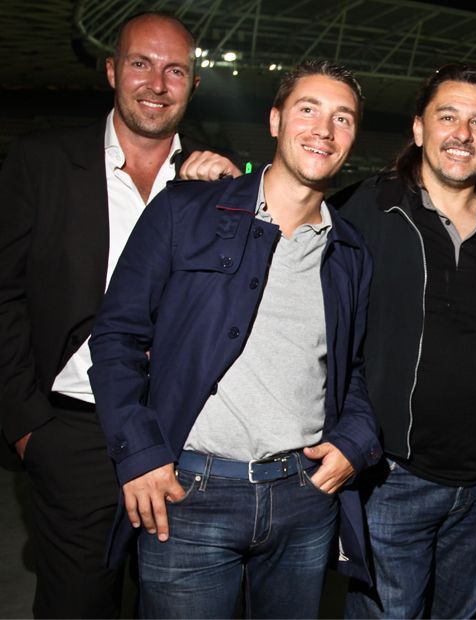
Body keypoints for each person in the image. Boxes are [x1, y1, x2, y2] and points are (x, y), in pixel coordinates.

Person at [87, 59, 380, 618]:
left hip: (304, 499)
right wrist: (140, 454)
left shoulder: (350, 251)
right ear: (275, 120)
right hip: (188, 496)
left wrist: (356, 439)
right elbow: (117, 337)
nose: (324, 129)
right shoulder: (185, 210)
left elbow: (355, 368)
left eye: (342, 118)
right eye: (308, 110)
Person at [0, 11, 239, 618]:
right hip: (74, 435)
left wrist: (231, 196)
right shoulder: (43, 161)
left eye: (175, 70)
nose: (157, 84)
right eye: (141, 64)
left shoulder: (217, 178)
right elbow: (3, 295)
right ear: (111, 71)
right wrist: (29, 429)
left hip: (183, 435)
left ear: (193, 84)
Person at [330, 63, 476, 618]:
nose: (462, 134)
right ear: (419, 128)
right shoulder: (363, 209)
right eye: (447, 117)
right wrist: (217, 178)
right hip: (392, 478)